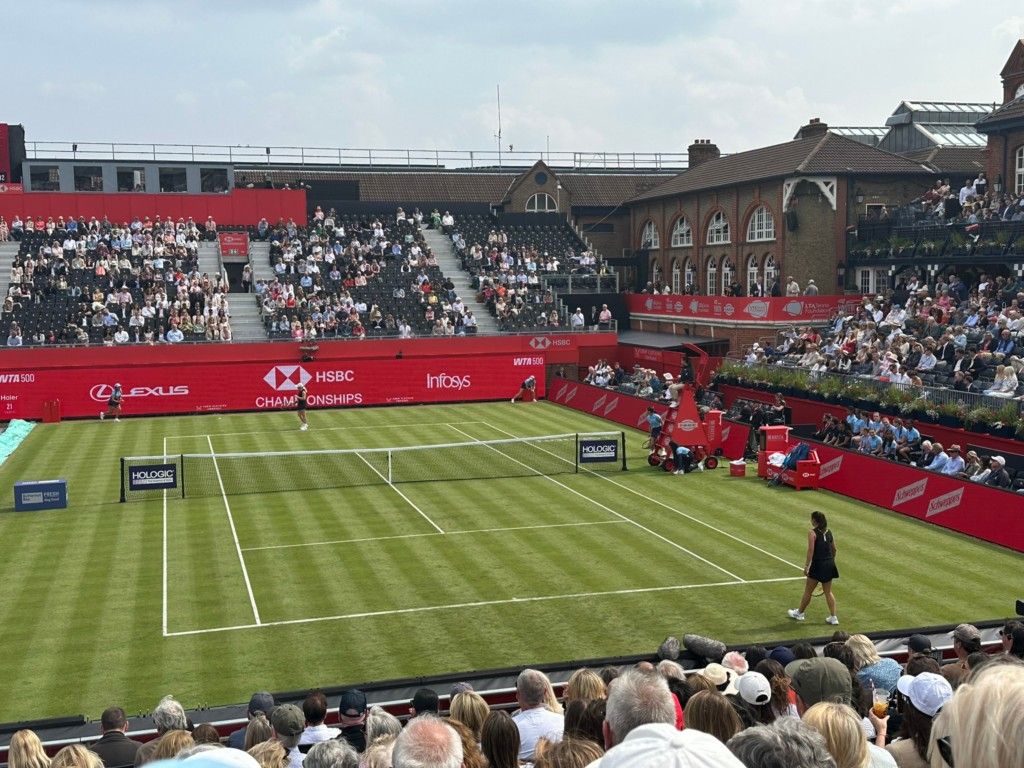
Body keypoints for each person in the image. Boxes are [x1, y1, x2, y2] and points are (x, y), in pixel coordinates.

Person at [788, 511, 839, 625]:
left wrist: (806, 566)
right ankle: (833, 617)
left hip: (818, 565)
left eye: (812, 519)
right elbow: (834, 549)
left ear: (815, 521)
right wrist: (831, 561)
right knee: (828, 592)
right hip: (829, 564)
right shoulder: (829, 532)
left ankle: (799, 613)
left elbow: (810, 550)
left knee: (808, 591)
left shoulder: (812, 533)